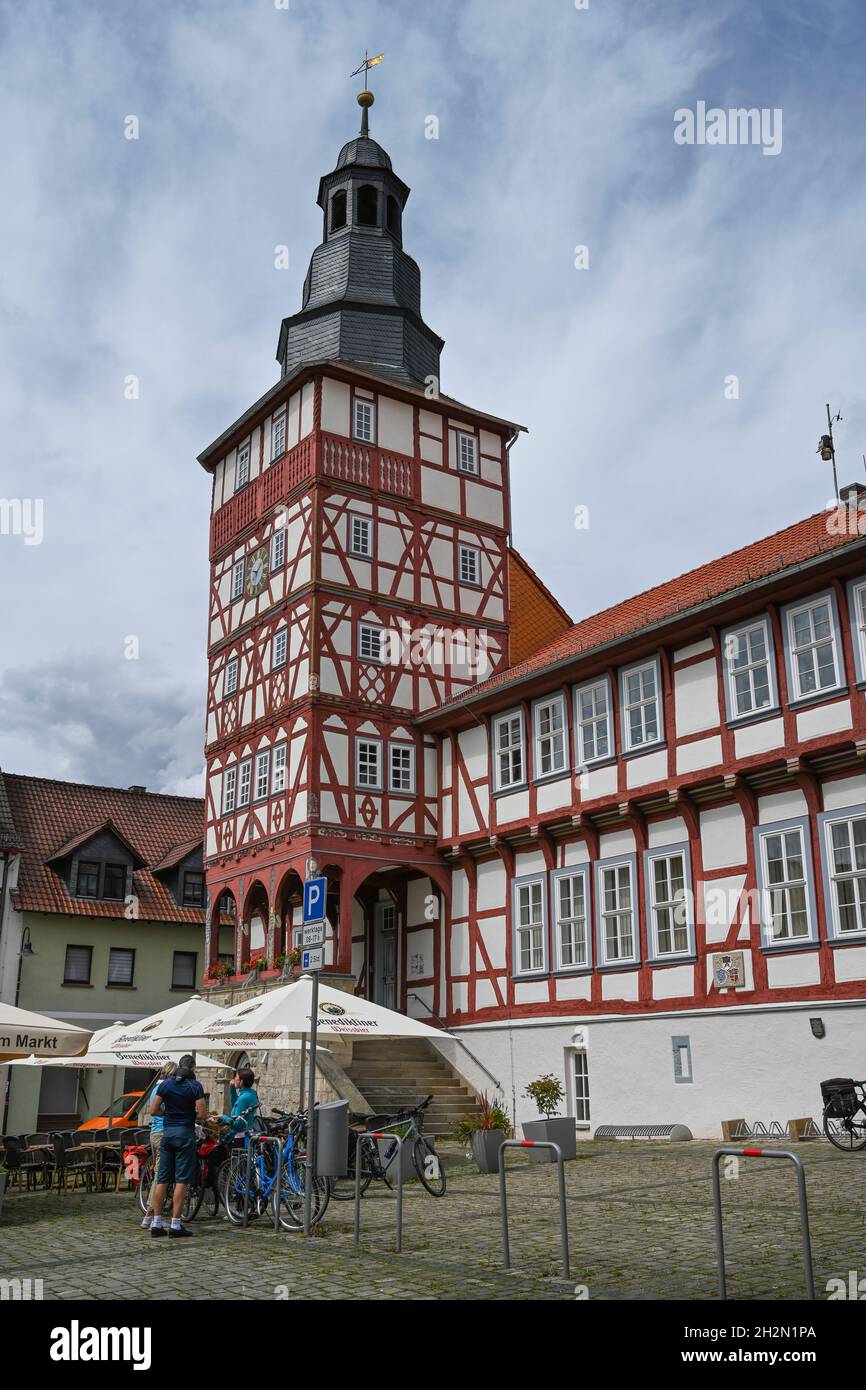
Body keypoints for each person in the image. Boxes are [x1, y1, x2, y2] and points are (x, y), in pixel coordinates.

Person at [148, 1055, 207, 1239]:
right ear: (193, 1068)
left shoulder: (165, 1084)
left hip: (167, 1134)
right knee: (182, 1179)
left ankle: (156, 1223)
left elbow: (153, 1110)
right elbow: (203, 1114)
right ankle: (175, 1224)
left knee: (163, 1178)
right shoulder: (195, 1086)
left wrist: (169, 1112)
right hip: (184, 1135)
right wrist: (188, 1114)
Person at [141, 1061, 175, 1230]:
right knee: (161, 1176)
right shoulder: (166, 1089)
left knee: (159, 1174)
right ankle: (150, 1217)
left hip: (154, 1133)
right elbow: (159, 1110)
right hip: (163, 1133)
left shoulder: (155, 1087)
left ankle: (152, 1215)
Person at [218, 1067, 260, 1136]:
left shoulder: (244, 1098)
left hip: (239, 1135)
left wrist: (223, 1117)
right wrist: (232, 1089)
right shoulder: (251, 1093)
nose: (234, 1079)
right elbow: (235, 1104)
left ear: (242, 1081)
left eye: (236, 1077)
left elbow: (238, 1123)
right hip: (248, 1131)